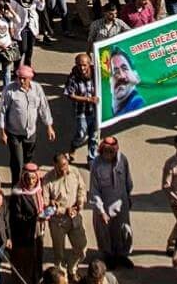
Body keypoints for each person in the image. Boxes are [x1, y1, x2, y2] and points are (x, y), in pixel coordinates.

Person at [0, 65, 55, 185]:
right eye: (19, 78)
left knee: (28, 160)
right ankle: (16, 186)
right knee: (17, 162)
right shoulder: (9, 90)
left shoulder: (37, 89)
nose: (21, 80)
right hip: (14, 133)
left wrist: (49, 126)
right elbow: (2, 111)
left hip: (30, 132)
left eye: (24, 78)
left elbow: (44, 107)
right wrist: (2, 132)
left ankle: (26, 181)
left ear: (30, 78)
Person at [89, 136, 135, 267]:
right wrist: (101, 211)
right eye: (106, 151)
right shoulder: (96, 165)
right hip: (104, 206)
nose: (109, 155)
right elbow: (94, 190)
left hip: (121, 203)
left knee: (123, 231)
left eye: (112, 152)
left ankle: (122, 256)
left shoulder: (122, 160)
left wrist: (128, 198)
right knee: (105, 233)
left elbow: (128, 181)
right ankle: (108, 257)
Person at [43, 154, 89, 272]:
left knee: (81, 248)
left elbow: (82, 188)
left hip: (75, 218)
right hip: (58, 222)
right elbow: (45, 204)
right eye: (60, 167)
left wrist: (80, 202)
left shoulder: (74, 172)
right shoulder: (48, 180)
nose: (64, 169)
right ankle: (62, 277)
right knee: (59, 254)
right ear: (54, 166)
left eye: (65, 165)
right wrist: (63, 210)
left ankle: (72, 268)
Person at [7, 162, 49, 284]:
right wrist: (35, 219)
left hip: (38, 231)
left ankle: (36, 280)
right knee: (24, 261)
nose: (31, 181)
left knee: (37, 257)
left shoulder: (39, 190)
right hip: (23, 234)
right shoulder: (17, 194)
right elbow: (16, 217)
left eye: (34, 178)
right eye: (28, 178)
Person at [62, 53, 98, 164]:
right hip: (81, 111)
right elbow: (69, 94)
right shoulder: (74, 77)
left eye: (84, 65)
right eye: (79, 65)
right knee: (81, 134)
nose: (82, 68)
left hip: (95, 111)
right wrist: (87, 99)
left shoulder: (96, 75)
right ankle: (73, 146)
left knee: (94, 136)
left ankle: (92, 158)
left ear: (89, 64)